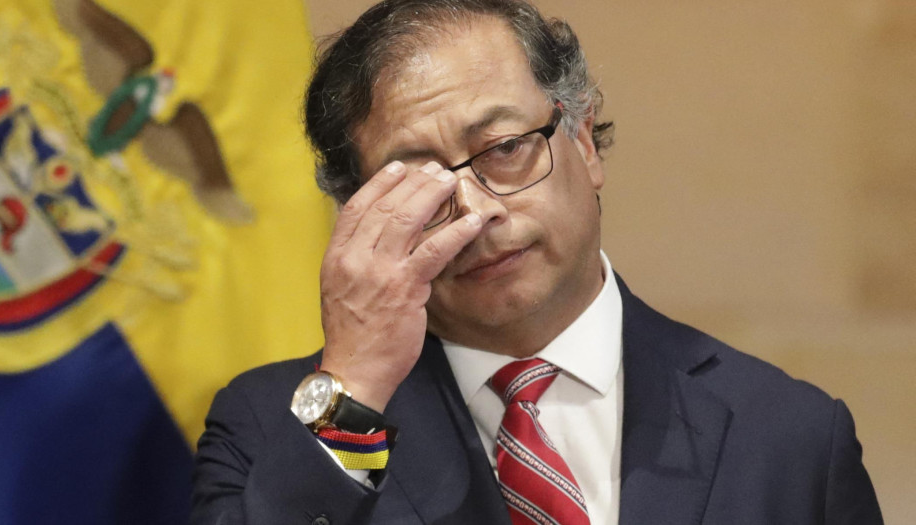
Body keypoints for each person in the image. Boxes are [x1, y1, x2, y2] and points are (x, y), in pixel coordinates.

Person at [190, 0, 883, 523]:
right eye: (415, 182)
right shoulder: (263, 425)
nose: (475, 211)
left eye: (502, 148)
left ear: (582, 142)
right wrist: (355, 382)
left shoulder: (789, 435)